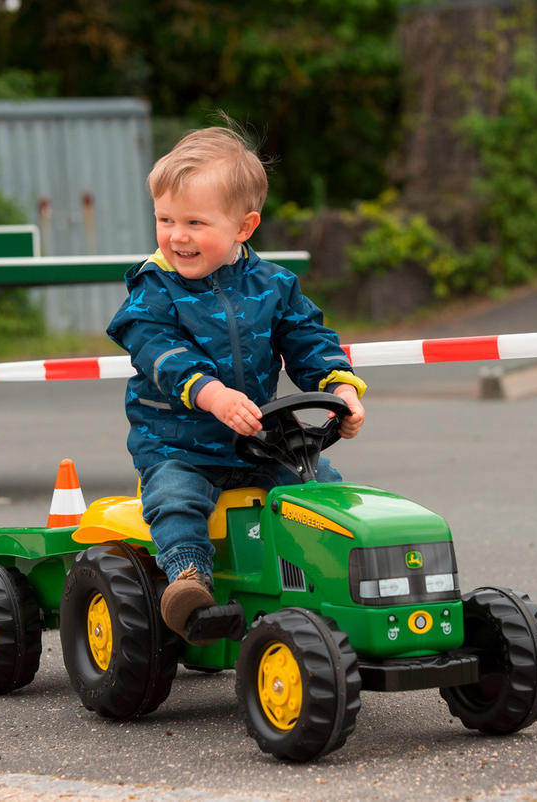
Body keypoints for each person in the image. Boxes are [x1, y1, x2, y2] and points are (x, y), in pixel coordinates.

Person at [106, 123, 367, 643]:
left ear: (244, 227)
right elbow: (159, 352)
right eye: (165, 219)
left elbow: (309, 340)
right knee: (175, 498)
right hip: (178, 444)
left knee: (324, 493)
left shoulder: (273, 285)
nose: (176, 235)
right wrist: (213, 394)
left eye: (195, 222)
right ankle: (187, 579)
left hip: (258, 442)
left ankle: (341, 585)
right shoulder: (153, 289)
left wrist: (342, 391)